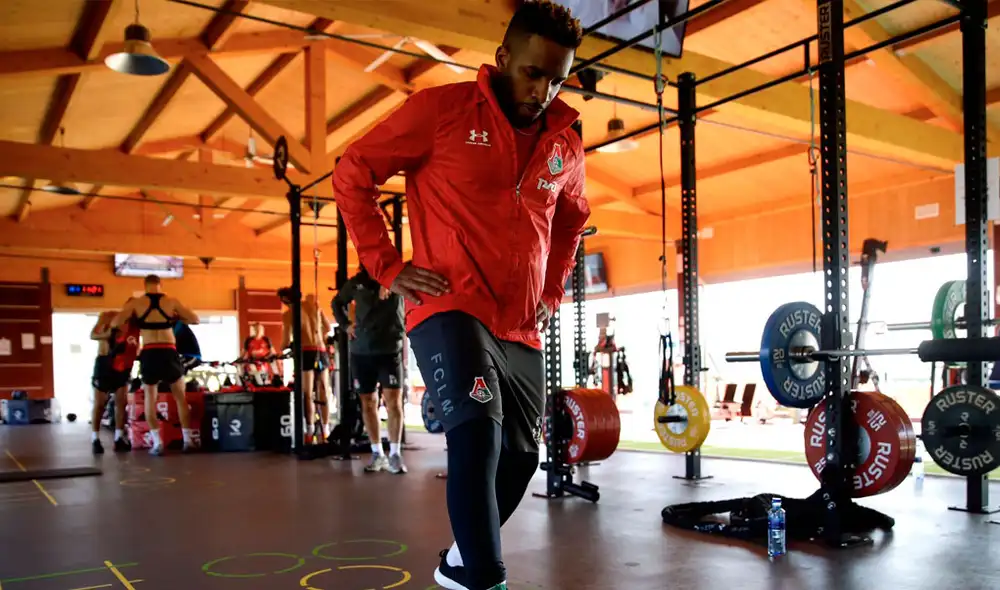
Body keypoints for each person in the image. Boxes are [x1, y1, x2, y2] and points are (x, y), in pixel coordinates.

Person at [332, 3, 589, 589]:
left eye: (557, 78)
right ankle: (486, 579)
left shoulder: (565, 144)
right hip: (449, 304)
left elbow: (573, 221)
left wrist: (551, 290)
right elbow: (353, 173)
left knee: (522, 458)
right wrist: (388, 265)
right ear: (503, 60)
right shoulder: (441, 112)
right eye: (532, 73)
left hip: (520, 323)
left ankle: (456, 566)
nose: (544, 91)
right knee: (477, 433)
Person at [112, 275, 201, 455]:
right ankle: (188, 441)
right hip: (169, 351)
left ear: (145, 286)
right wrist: (177, 315)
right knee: (180, 397)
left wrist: (134, 318)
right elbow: (195, 319)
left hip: (150, 352)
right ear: (161, 285)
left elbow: (115, 323)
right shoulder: (171, 301)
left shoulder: (136, 303)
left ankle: (157, 443)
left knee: (150, 398)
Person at [332, 266, 407, 474]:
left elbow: (414, 266)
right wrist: (345, 325)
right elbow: (337, 303)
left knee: (394, 401)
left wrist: (390, 279)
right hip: (362, 351)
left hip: (389, 349)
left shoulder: (398, 275)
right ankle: (377, 453)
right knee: (368, 402)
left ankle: (394, 453)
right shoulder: (356, 283)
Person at [280, 289, 333, 443]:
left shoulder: (289, 314)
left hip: (305, 352)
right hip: (321, 350)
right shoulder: (315, 306)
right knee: (323, 391)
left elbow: (284, 342)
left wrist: (285, 346)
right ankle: (326, 430)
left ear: (285, 300)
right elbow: (328, 328)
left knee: (307, 394)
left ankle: (309, 431)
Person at [88, 307, 139, 454]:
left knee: (121, 403)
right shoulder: (107, 316)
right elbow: (92, 335)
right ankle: (95, 439)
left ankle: (118, 438)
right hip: (105, 362)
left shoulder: (134, 325)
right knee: (100, 404)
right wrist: (109, 334)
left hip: (122, 365)